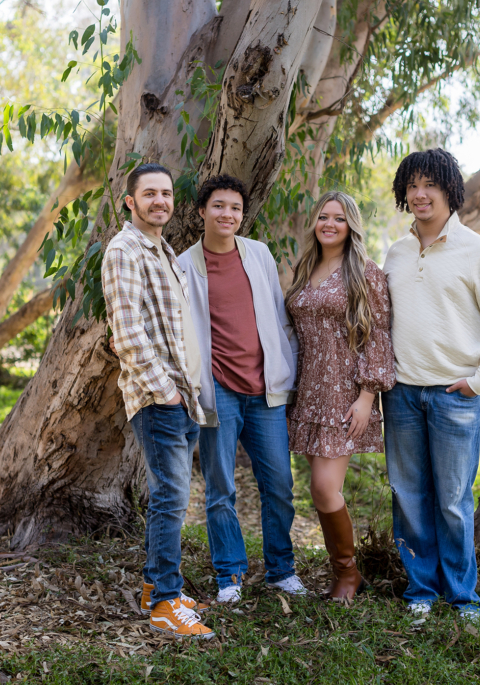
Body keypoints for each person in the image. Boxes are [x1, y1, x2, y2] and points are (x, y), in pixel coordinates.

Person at [382, 148, 480, 620]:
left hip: (453, 397)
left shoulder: (479, 253)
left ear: (450, 191)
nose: (420, 194)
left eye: (430, 185)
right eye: (412, 185)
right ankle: (421, 591)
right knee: (408, 495)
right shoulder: (397, 253)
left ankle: (463, 597)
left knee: (454, 502)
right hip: (400, 394)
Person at [177, 174, 306, 604]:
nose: (227, 214)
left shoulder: (259, 254)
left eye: (234, 207)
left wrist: (287, 369)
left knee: (279, 484)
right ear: (201, 212)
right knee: (220, 488)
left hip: (265, 388)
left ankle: (281, 570)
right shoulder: (184, 266)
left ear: (241, 214)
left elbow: (277, 313)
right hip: (218, 392)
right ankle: (229, 575)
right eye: (218, 206)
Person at [101, 163, 213, 639]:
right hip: (159, 395)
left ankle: (155, 585)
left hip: (181, 395)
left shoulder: (162, 249)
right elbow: (126, 333)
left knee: (172, 496)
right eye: (150, 194)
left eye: (166, 193)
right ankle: (166, 603)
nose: (160, 201)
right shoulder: (125, 250)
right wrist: (164, 390)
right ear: (130, 201)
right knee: (171, 498)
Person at [284, 191, 396, 601]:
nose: (329, 224)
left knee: (323, 486)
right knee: (320, 487)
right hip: (307, 389)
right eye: (323, 217)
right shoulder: (306, 267)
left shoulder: (365, 272)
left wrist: (367, 396)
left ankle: (348, 575)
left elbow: (378, 334)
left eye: (339, 218)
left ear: (352, 226)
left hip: (343, 392)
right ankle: (344, 572)